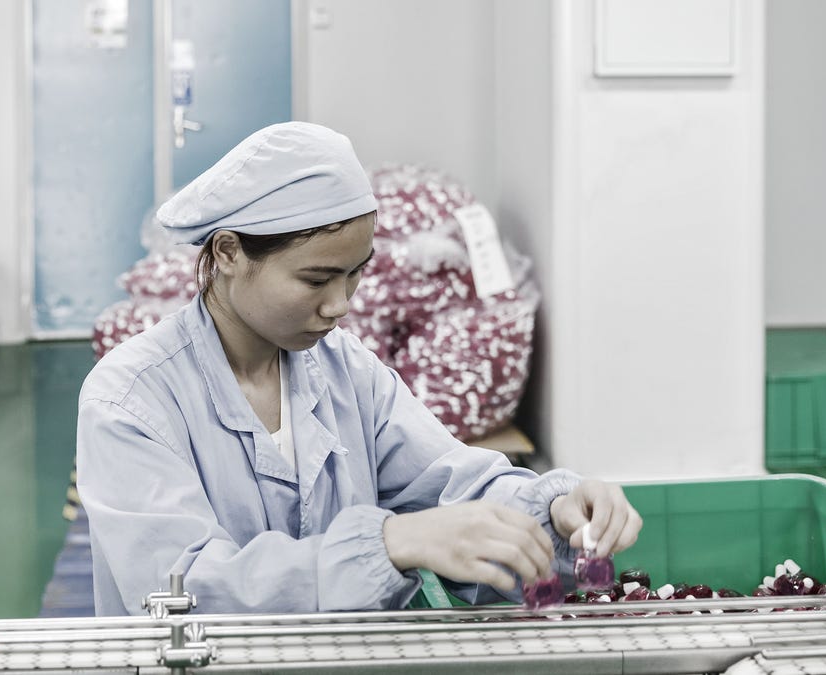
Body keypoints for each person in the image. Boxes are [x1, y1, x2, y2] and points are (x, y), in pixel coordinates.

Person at [76, 121, 642, 616]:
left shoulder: (342, 367)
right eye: (317, 280)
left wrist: (552, 512)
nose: (340, 305)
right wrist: (386, 543)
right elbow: (183, 587)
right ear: (226, 253)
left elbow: (451, 483)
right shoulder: (130, 399)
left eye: (355, 275)